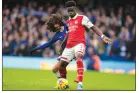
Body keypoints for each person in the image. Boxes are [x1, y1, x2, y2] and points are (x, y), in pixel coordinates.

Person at [58, 0, 112, 90]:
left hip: (79, 43)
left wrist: (102, 36)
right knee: (61, 65)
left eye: (71, 10)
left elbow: (93, 27)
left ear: (75, 9)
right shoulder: (67, 22)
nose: (70, 12)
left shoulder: (82, 18)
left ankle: (80, 83)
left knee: (78, 57)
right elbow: (67, 35)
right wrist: (62, 47)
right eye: (68, 11)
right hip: (69, 46)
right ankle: (64, 84)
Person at [29, 14, 68, 81]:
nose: (56, 25)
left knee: (62, 67)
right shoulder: (57, 34)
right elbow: (48, 43)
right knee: (54, 69)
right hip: (64, 52)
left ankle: (64, 81)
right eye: (54, 25)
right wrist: (36, 48)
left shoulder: (67, 26)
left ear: (59, 22)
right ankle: (62, 82)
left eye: (56, 23)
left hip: (72, 49)